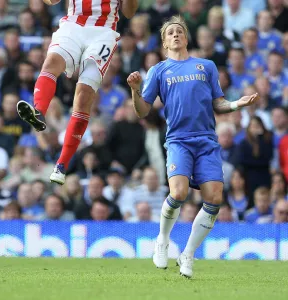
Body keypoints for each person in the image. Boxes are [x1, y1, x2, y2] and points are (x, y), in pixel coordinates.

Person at [127, 15, 259, 278]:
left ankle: (188, 253)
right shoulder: (158, 71)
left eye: (180, 31)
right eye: (170, 33)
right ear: (164, 42)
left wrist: (236, 104)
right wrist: (135, 89)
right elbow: (143, 111)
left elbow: (217, 103)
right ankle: (162, 240)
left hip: (207, 141)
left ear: (186, 38)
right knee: (178, 192)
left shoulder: (206, 66)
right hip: (178, 140)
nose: (176, 35)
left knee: (214, 198)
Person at [16, 0, 138, 185]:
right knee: (50, 64)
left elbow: (129, 12)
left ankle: (62, 164)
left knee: (84, 94)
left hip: (103, 31)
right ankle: (38, 112)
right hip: (73, 24)